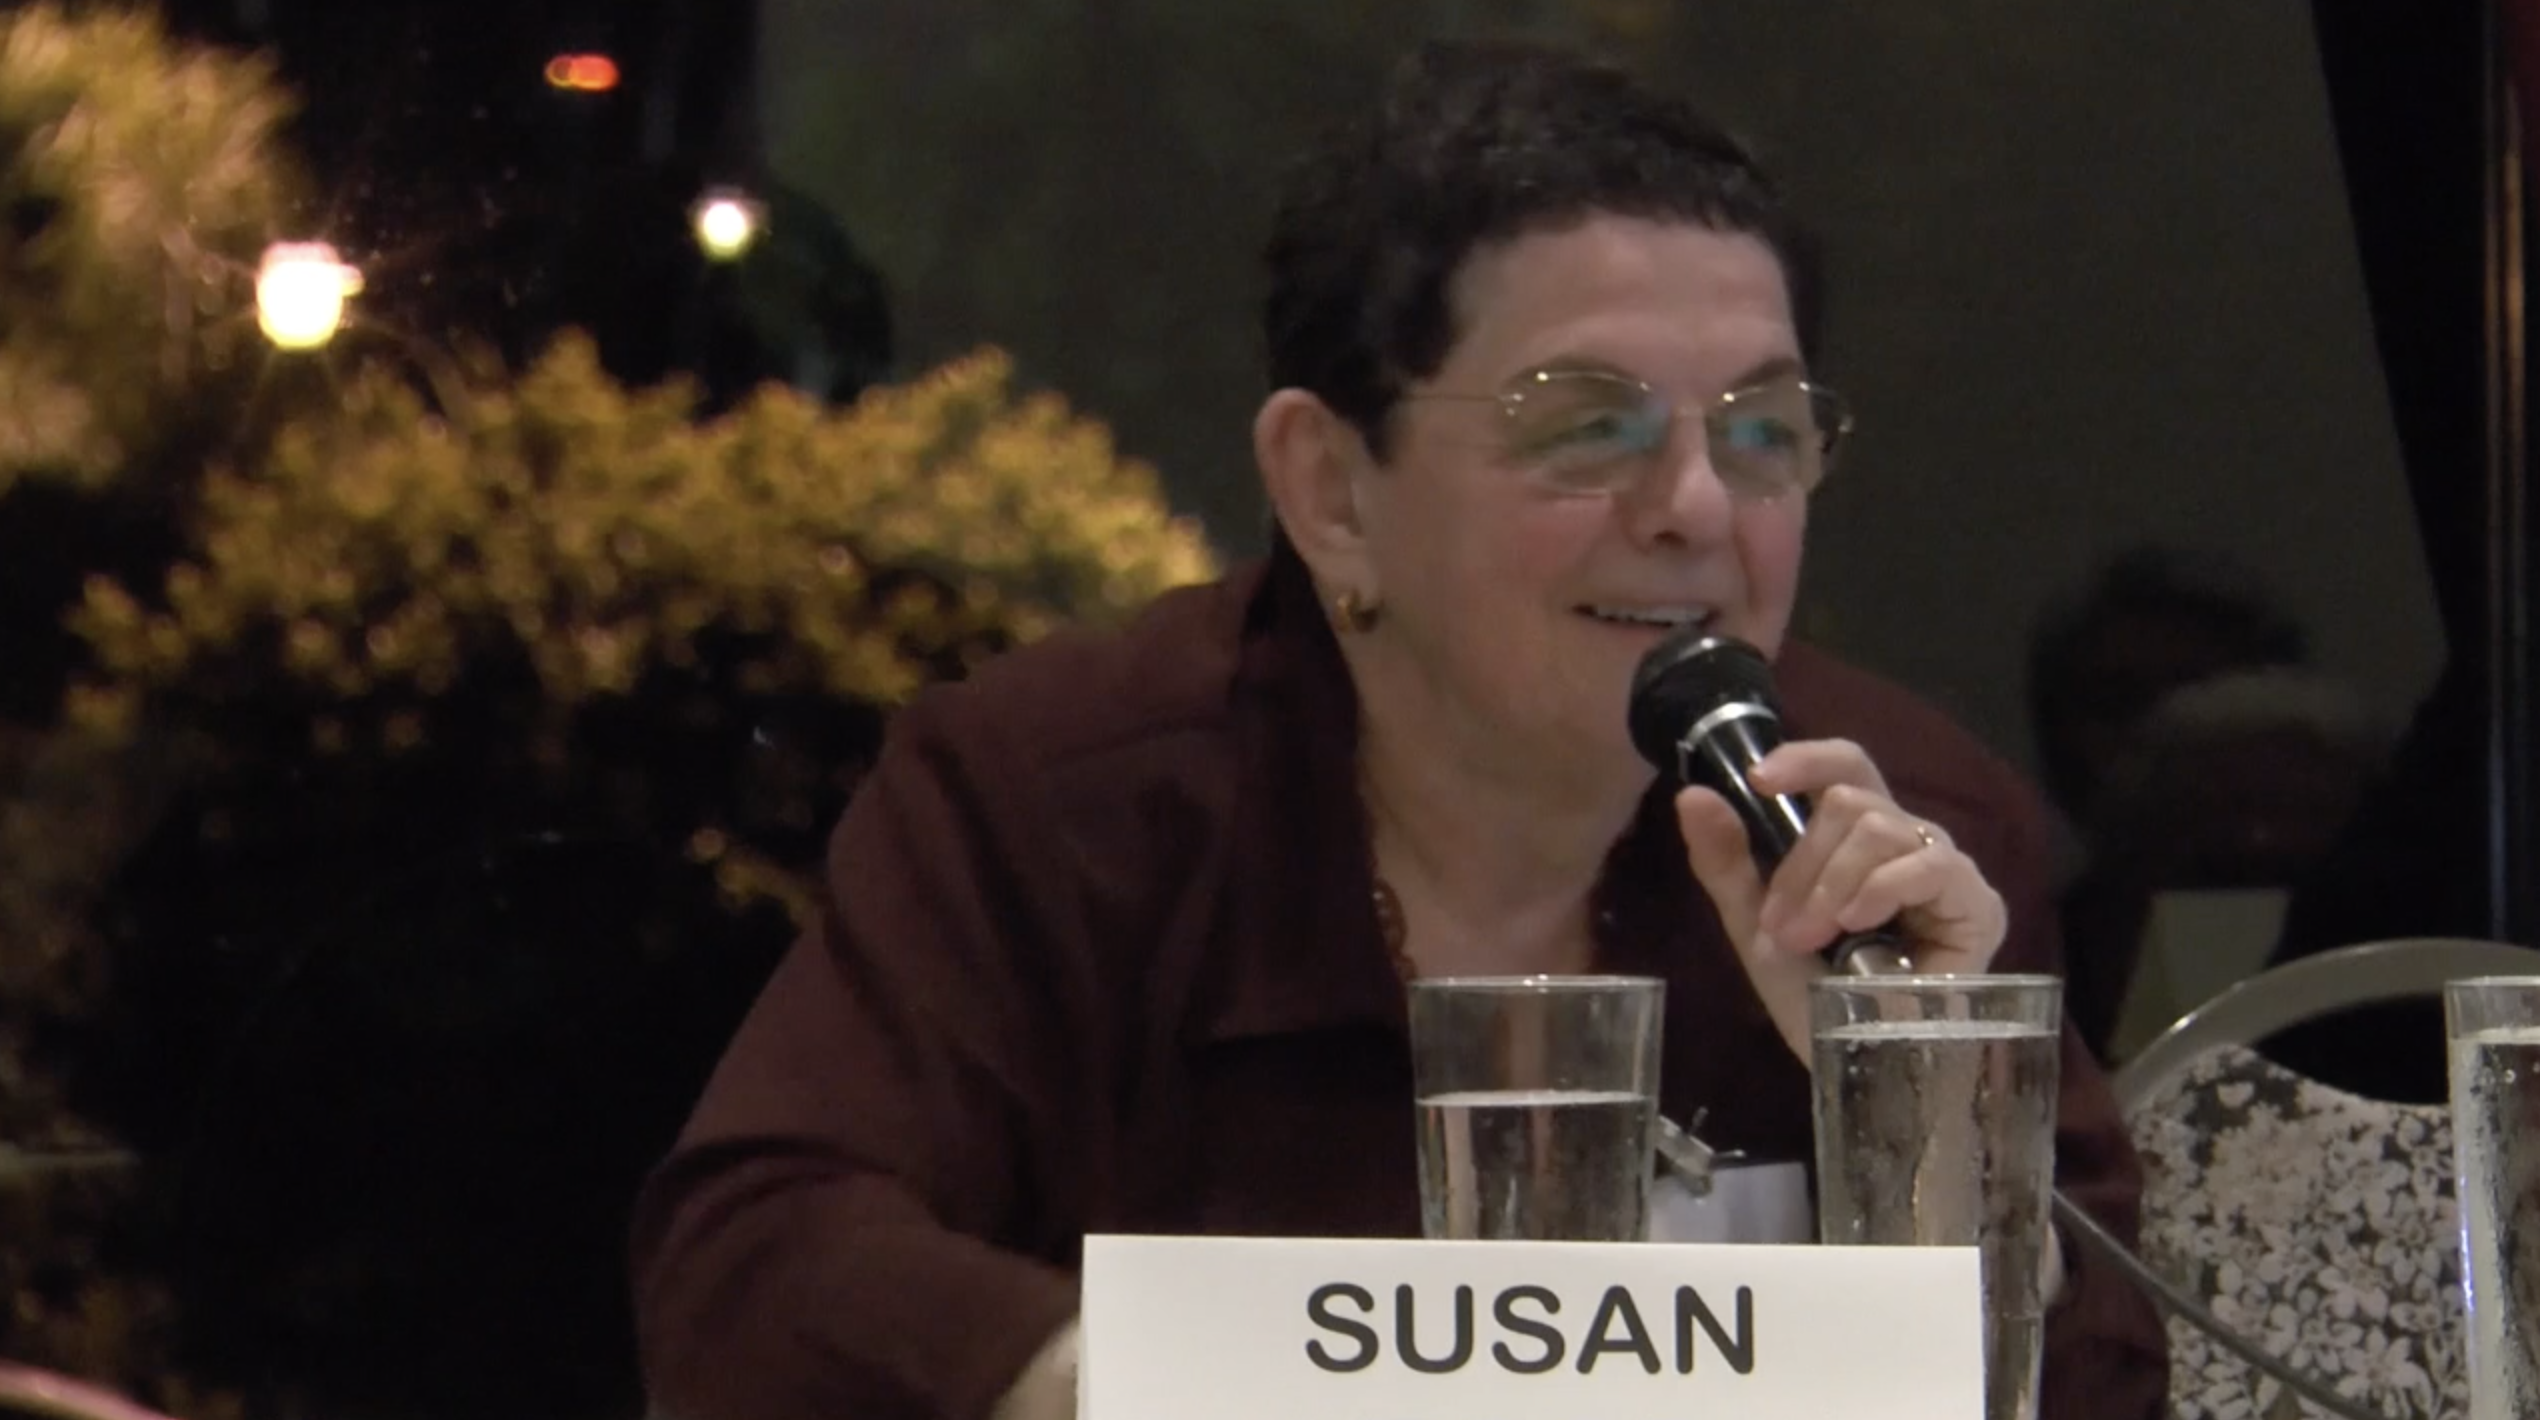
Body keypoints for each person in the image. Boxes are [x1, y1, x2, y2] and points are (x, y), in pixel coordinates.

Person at [630, 38, 2168, 1420]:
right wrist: (1162, 1387)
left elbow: (2115, 1374)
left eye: (1761, 431)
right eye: (1589, 426)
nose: (1697, 508)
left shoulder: (1901, 837)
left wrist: (1922, 1099)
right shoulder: (1067, 797)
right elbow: (756, 1263)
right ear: (1331, 491)